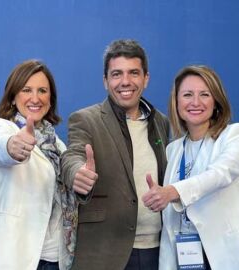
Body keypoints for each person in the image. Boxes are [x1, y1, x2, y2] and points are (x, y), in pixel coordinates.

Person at [143, 65, 239, 269]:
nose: (195, 102)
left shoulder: (236, 135)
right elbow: (171, 223)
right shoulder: (173, 150)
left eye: (204, 94)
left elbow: (219, 175)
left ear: (216, 101)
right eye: (187, 94)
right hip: (187, 260)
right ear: (177, 102)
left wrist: (173, 191)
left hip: (229, 258)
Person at [61, 39, 170, 270]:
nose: (125, 82)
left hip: (158, 251)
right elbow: (73, 156)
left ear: (146, 78)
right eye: (117, 74)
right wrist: (77, 174)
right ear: (105, 81)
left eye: (134, 73)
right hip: (106, 252)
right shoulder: (85, 119)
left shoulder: (162, 122)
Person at [0, 59, 77, 270]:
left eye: (42, 90)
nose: (35, 98)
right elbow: (0, 147)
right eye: (26, 90)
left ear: (51, 99)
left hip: (56, 257)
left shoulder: (57, 144)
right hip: (15, 256)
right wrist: (13, 147)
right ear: (13, 97)